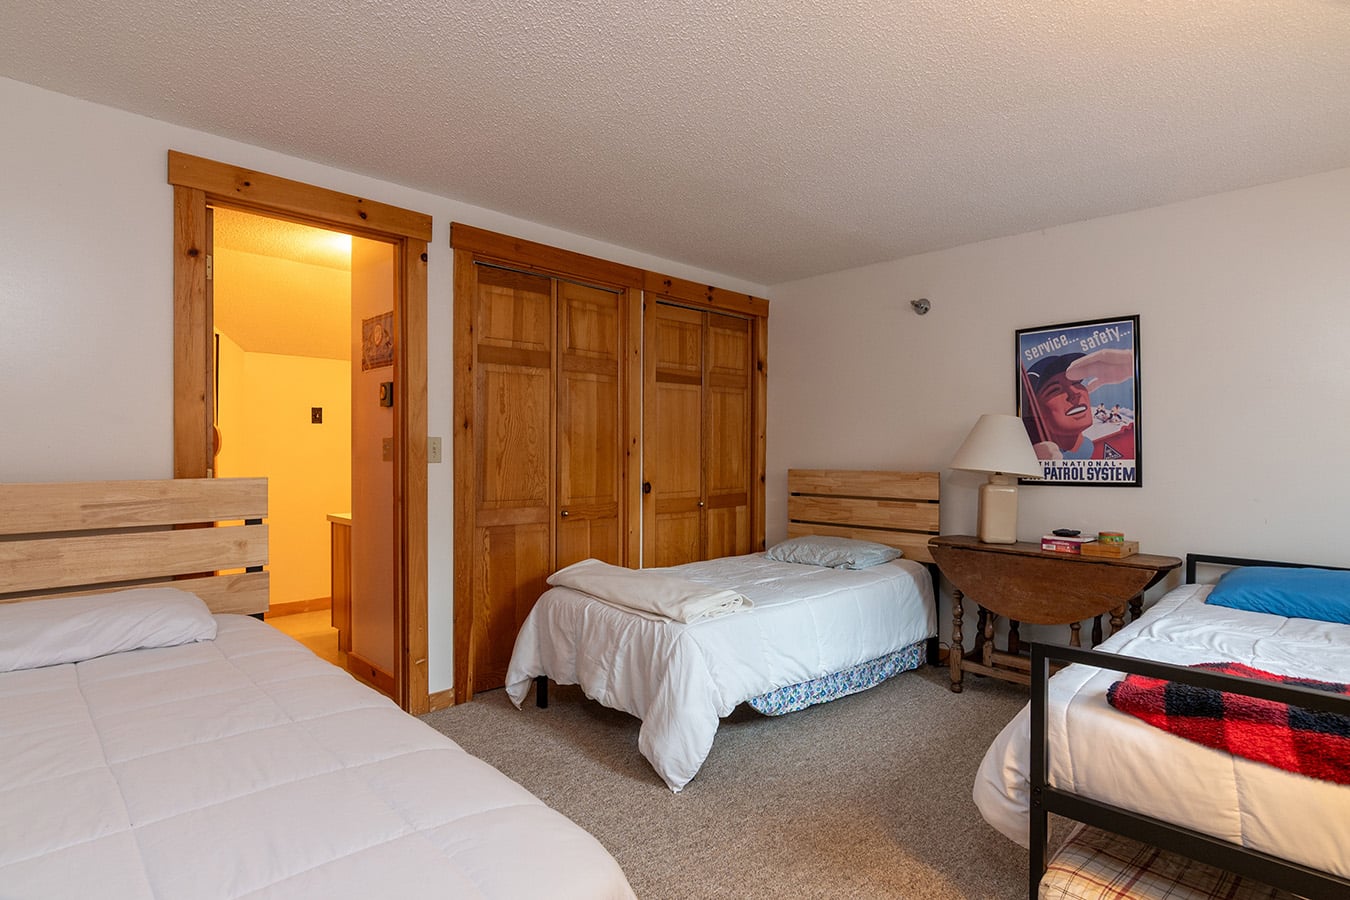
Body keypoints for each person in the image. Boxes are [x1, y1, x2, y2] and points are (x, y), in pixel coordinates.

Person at [1021, 348, 1134, 460]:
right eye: (1055, 390)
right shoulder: (1029, 454)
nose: (1075, 394)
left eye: (1076, 383)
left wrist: (1131, 363)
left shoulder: (1123, 439)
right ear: (1033, 409)